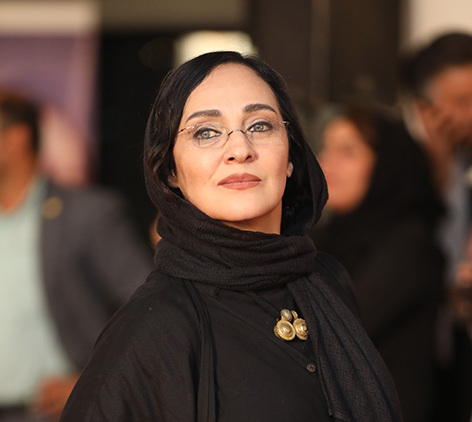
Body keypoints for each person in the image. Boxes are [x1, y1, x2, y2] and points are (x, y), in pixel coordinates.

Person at [60, 51, 403, 422]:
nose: (240, 150)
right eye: (206, 132)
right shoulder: (154, 326)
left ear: (291, 155)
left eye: (260, 126)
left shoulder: (327, 282)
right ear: (170, 170)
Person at [0, 91, 154, 422]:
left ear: (15, 139)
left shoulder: (86, 215)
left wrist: (96, 382)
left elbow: (149, 306)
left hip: (57, 413)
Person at [309, 106, 445, 422]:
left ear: (386, 165)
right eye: (327, 148)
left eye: (347, 151)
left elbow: (340, 328)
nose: (328, 162)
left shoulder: (409, 244)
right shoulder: (325, 237)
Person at [400, 32, 472, 422]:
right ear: (424, 107)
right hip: (406, 356)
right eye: (462, 101)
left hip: (452, 345)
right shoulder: (394, 163)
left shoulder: (462, 157)